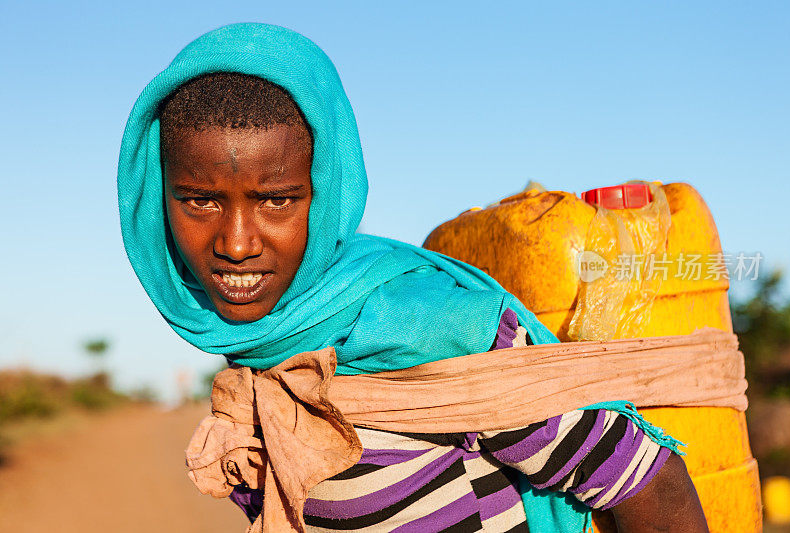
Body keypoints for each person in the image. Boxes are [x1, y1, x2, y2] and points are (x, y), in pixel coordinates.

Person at [118, 23, 708, 532]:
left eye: (276, 200)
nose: (237, 243)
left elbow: (645, 477)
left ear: (325, 195)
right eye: (199, 201)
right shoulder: (265, 342)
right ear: (156, 203)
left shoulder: (429, 327)